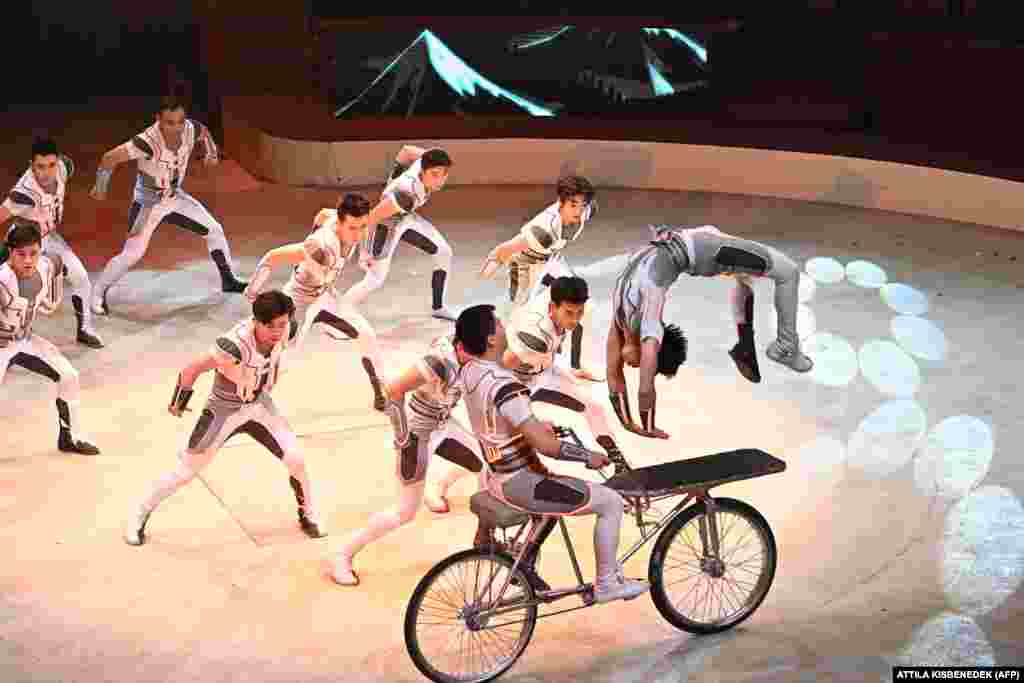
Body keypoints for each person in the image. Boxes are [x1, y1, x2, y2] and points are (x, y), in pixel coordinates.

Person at [453, 304, 649, 603]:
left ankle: (526, 564)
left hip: (495, 476)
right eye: (499, 324)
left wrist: (529, 427)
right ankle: (607, 583)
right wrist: (588, 456)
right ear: (491, 339)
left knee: (558, 495)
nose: (505, 327)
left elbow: (496, 421)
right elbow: (547, 447)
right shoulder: (506, 386)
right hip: (520, 483)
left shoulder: (470, 371)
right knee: (610, 501)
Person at [124, 290, 325, 546]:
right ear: (256, 322)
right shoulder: (233, 345)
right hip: (224, 409)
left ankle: (308, 514)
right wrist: (178, 403)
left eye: (282, 324)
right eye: (270, 326)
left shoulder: (288, 328)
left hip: (260, 405)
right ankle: (139, 513)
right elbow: (192, 369)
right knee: (186, 471)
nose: (277, 331)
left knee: (296, 459)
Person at [607, 224, 813, 439]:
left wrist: (648, 427)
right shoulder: (621, 322)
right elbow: (613, 373)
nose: (635, 366)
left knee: (788, 272)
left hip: (707, 251)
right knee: (743, 274)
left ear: (651, 348)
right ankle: (745, 345)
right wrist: (629, 424)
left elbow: (645, 386)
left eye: (644, 363)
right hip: (694, 242)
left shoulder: (647, 324)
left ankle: (785, 347)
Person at [329, 333, 486, 586]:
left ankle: (477, 532)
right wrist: (404, 438)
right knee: (404, 512)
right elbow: (391, 392)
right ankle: (343, 553)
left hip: (444, 424)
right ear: (459, 345)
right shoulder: (437, 362)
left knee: (487, 464)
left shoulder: (477, 353)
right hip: (417, 431)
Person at [89, 94, 247, 316]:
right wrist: (101, 187)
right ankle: (97, 293)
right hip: (149, 204)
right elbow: (109, 158)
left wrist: (211, 153)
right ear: (158, 120)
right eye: (169, 123)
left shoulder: (191, 129)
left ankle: (228, 280)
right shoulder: (146, 142)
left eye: (180, 121)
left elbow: (204, 132)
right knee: (133, 253)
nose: (177, 127)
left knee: (214, 230)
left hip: (174, 197)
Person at [244, 192, 388, 411]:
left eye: (363, 226)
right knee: (284, 357)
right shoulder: (320, 246)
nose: (359, 234)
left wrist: (316, 225)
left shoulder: (335, 219)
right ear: (340, 223)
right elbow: (273, 256)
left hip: (326, 296)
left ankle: (382, 392)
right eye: (352, 228)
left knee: (366, 335)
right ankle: (251, 399)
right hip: (299, 300)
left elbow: (322, 214)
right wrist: (253, 290)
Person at [480, 175, 599, 380]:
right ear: (561, 202)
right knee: (515, 316)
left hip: (552, 262)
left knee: (581, 305)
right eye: (573, 204)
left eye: (582, 205)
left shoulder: (583, 211)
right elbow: (505, 248)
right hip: (525, 266)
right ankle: (496, 367)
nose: (578, 211)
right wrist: (490, 266)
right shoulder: (544, 229)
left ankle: (574, 365)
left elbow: (590, 205)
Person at [0, 224, 99, 454]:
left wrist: (55, 288)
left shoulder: (46, 265)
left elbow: (57, 263)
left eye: (33, 253)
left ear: (40, 251)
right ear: (9, 253)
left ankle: (70, 438)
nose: (27, 260)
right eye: (20, 254)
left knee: (69, 376)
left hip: (24, 339)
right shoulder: (2, 282)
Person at [0, 138, 103, 347]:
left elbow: (69, 164)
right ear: (31, 165)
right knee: (11, 294)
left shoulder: (64, 168)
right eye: (40, 167)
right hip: (23, 245)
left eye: (51, 165)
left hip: (49, 239)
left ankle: (84, 329)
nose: (46, 172)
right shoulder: (24, 195)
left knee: (82, 279)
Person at [341, 145, 455, 321]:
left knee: (444, 252)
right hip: (385, 225)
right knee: (375, 279)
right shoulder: (405, 194)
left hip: (405, 217)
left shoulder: (421, 162)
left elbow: (406, 150)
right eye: (435, 174)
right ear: (423, 171)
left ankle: (438, 307)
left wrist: (394, 176)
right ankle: (338, 314)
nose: (440, 180)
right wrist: (363, 252)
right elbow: (371, 218)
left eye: (444, 174)